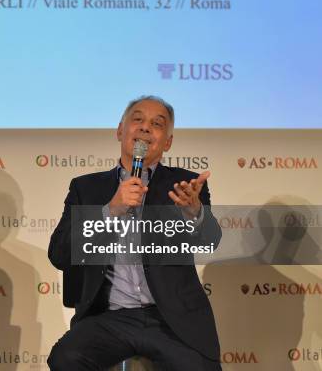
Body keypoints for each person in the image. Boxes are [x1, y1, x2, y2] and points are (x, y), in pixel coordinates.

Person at [47, 96, 222, 370]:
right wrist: (109, 211)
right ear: (120, 130)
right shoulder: (87, 188)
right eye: (137, 119)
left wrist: (194, 213)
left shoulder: (184, 185)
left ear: (167, 142)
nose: (145, 127)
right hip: (108, 318)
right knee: (66, 358)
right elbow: (59, 254)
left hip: (171, 318)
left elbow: (211, 241)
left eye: (157, 123)